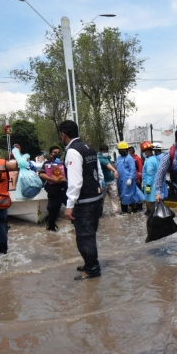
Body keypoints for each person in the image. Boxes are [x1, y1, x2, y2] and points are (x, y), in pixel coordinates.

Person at [59, 120, 104, 280]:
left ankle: (93, 269)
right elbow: (99, 174)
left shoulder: (72, 151)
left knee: (84, 237)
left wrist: (69, 205)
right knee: (90, 235)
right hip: (96, 198)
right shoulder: (89, 147)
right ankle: (89, 262)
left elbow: (75, 181)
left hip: (84, 202)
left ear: (63, 134)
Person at [38, 146, 67, 232]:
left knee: (73, 209)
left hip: (65, 189)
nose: (57, 154)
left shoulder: (63, 164)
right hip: (53, 191)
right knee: (53, 212)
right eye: (55, 152)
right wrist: (53, 180)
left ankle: (75, 228)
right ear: (51, 154)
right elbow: (41, 174)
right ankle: (51, 230)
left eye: (58, 152)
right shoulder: (47, 164)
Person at [116, 141, 144, 214]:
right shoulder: (118, 158)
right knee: (122, 194)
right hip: (120, 181)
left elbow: (132, 169)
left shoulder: (129, 158)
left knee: (130, 195)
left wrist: (130, 178)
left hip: (128, 180)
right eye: (121, 150)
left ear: (126, 150)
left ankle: (133, 210)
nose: (122, 151)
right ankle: (124, 210)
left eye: (124, 150)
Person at [98, 145, 120, 216]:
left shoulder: (108, 157)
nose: (105, 152)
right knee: (100, 199)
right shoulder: (99, 157)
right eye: (104, 151)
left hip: (111, 181)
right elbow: (106, 164)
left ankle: (116, 212)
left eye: (106, 151)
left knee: (115, 197)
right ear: (101, 151)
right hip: (103, 182)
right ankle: (99, 213)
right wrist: (115, 171)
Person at [141, 141, 158, 216]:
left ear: (147, 151)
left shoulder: (149, 161)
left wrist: (147, 186)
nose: (143, 153)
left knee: (151, 204)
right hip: (155, 186)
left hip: (150, 186)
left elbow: (149, 175)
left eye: (144, 152)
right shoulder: (155, 159)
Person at [128, 145, 144, 212]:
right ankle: (135, 205)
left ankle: (140, 206)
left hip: (137, 178)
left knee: (138, 192)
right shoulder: (130, 158)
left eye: (128, 152)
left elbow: (140, 168)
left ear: (131, 152)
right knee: (133, 192)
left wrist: (138, 178)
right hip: (133, 178)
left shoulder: (137, 158)